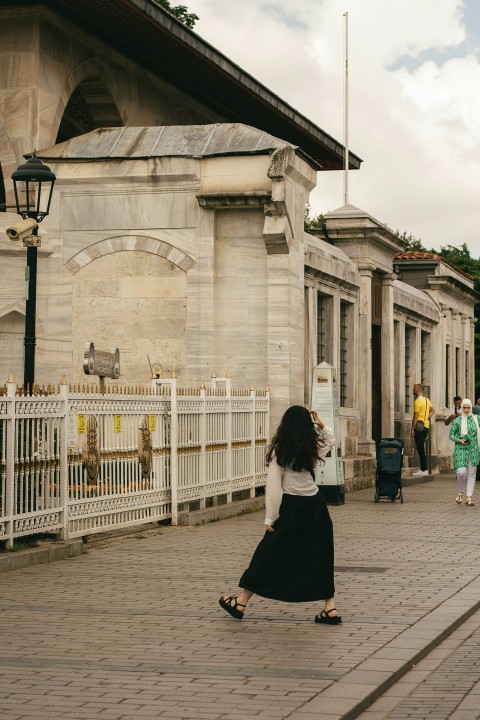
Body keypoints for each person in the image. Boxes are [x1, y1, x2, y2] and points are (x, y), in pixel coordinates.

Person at [219, 405, 341, 625]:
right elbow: (330, 439)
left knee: (267, 554)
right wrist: (321, 424)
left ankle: (241, 602)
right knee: (321, 555)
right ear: (307, 425)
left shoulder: (281, 450)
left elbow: (274, 486)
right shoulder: (312, 445)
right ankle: (329, 607)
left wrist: (271, 518)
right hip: (316, 507)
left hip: (292, 509)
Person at [449, 399, 480, 506]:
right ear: (461, 408)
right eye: (464, 407)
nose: (466, 410)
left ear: (471, 408)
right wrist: (459, 440)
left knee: (471, 474)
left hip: (473, 449)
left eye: (468, 407)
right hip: (460, 449)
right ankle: (460, 492)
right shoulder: (457, 421)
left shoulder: (477, 419)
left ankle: (469, 497)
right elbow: (451, 435)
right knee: (461, 472)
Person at [410, 383, 435, 476]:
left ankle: (423, 469)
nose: (413, 390)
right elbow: (433, 410)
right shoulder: (427, 400)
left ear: (419, 390)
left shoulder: (417, 401)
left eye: (414, 388)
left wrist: (412, 428)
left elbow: (416, 416)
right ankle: (423, 469)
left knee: (420, 448)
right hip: (426, 426)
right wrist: (426, 418)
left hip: (419, 427)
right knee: (421, 448)